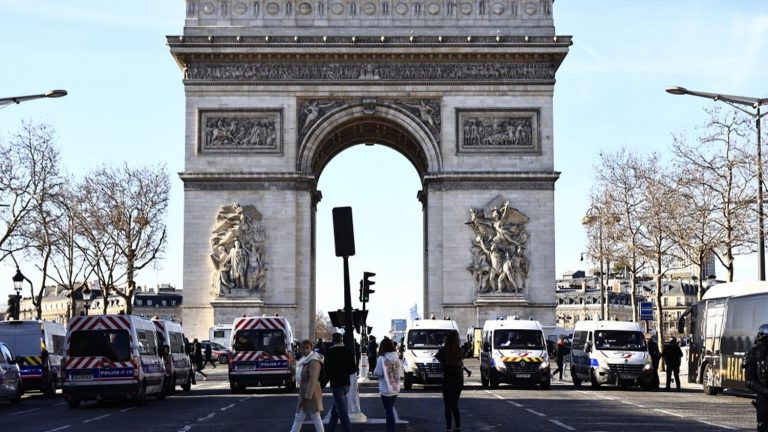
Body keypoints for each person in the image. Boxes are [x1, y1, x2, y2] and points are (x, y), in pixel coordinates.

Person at [435, 331, 471, 432]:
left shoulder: (443, 349)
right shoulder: (460, 350)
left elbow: (437, 357)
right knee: (455, 405)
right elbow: (460, 362)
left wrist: (444, 363)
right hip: (458, 380)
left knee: (447, 406)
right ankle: (458, 426)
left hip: (447, 379)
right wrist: (465, 370)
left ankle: (449, 428)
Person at [289, 340, 325, 432]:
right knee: (307, 418)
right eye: (303, 348)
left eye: (307, 348)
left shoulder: (314, 360)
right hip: (305, 392)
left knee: (308, 417)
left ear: (311, 348)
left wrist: (308, 396)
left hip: (310, 394)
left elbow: (313, 378)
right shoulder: (304, 360)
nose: (305, 350)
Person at [325, 333, 357, 432]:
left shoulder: (330, 352)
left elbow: (327, 370)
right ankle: (330, 429)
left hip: (336, 384)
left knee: (342, 411)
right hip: (346, 383)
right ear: (341, 340)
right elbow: (353, 369)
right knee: (336, 410)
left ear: (333, 340)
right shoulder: (348, 351)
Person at [373, 338, 403, 432]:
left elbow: (378, 373)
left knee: (389, 411)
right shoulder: (397, 357)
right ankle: (389, 428)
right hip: (395, 387)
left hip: (385, 388)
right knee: (389, 409)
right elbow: (400, 372)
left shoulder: (381, 359)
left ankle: (391, 429)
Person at [744, 323, 768, 432]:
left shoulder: (752, 353)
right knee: (763, 425)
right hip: (763, 396)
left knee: (763, 425)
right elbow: (750, 381)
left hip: (763, 395)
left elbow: (749, 381)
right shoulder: (754, 353)